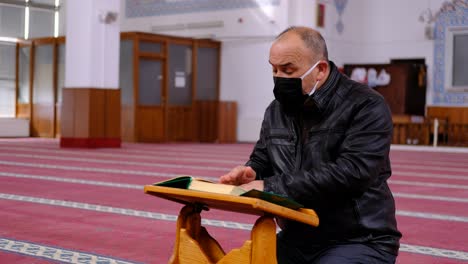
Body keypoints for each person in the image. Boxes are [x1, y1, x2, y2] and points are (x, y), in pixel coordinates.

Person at [219, 26, 401, 264]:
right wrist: (250, 172)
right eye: (274, 69)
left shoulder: (366, 106)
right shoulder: (276, 111)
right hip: (297, 236)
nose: (279, 78)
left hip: (359, 239)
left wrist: (269, 185)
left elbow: (353, 173)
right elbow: (263, 159)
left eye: (288, 70)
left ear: (320, 70)